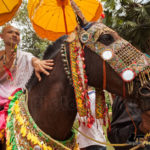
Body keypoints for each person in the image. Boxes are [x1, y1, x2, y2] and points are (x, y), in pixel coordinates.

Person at [0, 25, 54, 142]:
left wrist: (38, 63)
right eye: (10, 32)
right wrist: (6, 66)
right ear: (2, 36)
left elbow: (33, 60)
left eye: (17, 34)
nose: (14, 35)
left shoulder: (24, 55)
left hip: (20, 100)